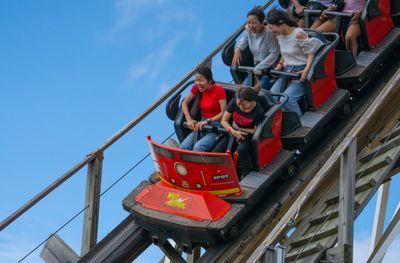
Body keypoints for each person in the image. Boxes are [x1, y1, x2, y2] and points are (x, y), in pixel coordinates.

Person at [267, 8, 322, 117]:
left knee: (286, 99)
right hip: (287, 71)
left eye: (272, 28)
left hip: (299, 71)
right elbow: (284, 53)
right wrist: (279, 65)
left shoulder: (298, 34)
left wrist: (306, 70)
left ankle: (298, 124)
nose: (271, 31)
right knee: (271, 96)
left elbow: (311, 53)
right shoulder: (279, 36)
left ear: (281, 23)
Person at [231, 7, 279, 92]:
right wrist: (238, 49)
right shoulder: (248, 30)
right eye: (249, 22)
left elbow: (274, 53)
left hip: (269, 68)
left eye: (254, 23)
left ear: (261, 23)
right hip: (255, 66)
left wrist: (259, 67)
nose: (251, 25)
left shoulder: (268, 33)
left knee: (259, 92)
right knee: (242, 91)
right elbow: (243, 41)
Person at [221, 87, 265, 179]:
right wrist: (233, 131)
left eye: (244, 104)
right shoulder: (234, 102)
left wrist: (239, 129)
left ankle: (247, 174)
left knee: (242, 149)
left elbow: (255, 131)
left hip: (247, 136)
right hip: (232, 132)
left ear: (252, 101)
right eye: (239, 104)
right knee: (219, 149)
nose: (241, 107)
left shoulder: (258, 111)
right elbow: (224, 121)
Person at [180, 67, 227, 152]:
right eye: (196, 80)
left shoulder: (219, 90)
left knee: (198, 148)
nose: (198, 83)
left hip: (216, 126)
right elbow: (184, 103)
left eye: (201, 81)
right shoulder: (197, 87)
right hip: (202, 124)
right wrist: (189, 119)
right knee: (184, 146)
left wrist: (207, 121)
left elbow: (224, 113)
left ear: (209, 80)